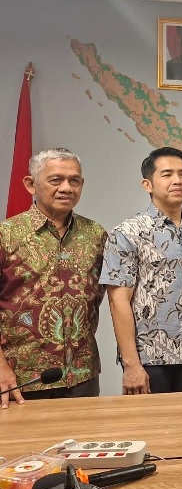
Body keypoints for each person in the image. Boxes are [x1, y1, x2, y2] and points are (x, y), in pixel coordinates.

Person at [100, 147, 182, 394]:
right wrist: (131, 364)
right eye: (167, 174)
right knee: (149, 420)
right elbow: (118, 301)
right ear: (148, 184)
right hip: (148, 357)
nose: (177, 180)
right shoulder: (127, 233)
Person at [0, 148, 106, 407]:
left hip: (83, 376)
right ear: (31, 184)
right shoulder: (6, 235)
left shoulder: (96, 235)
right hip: (21, 380)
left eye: (74, 180)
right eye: (56, 180)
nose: (66, 188)